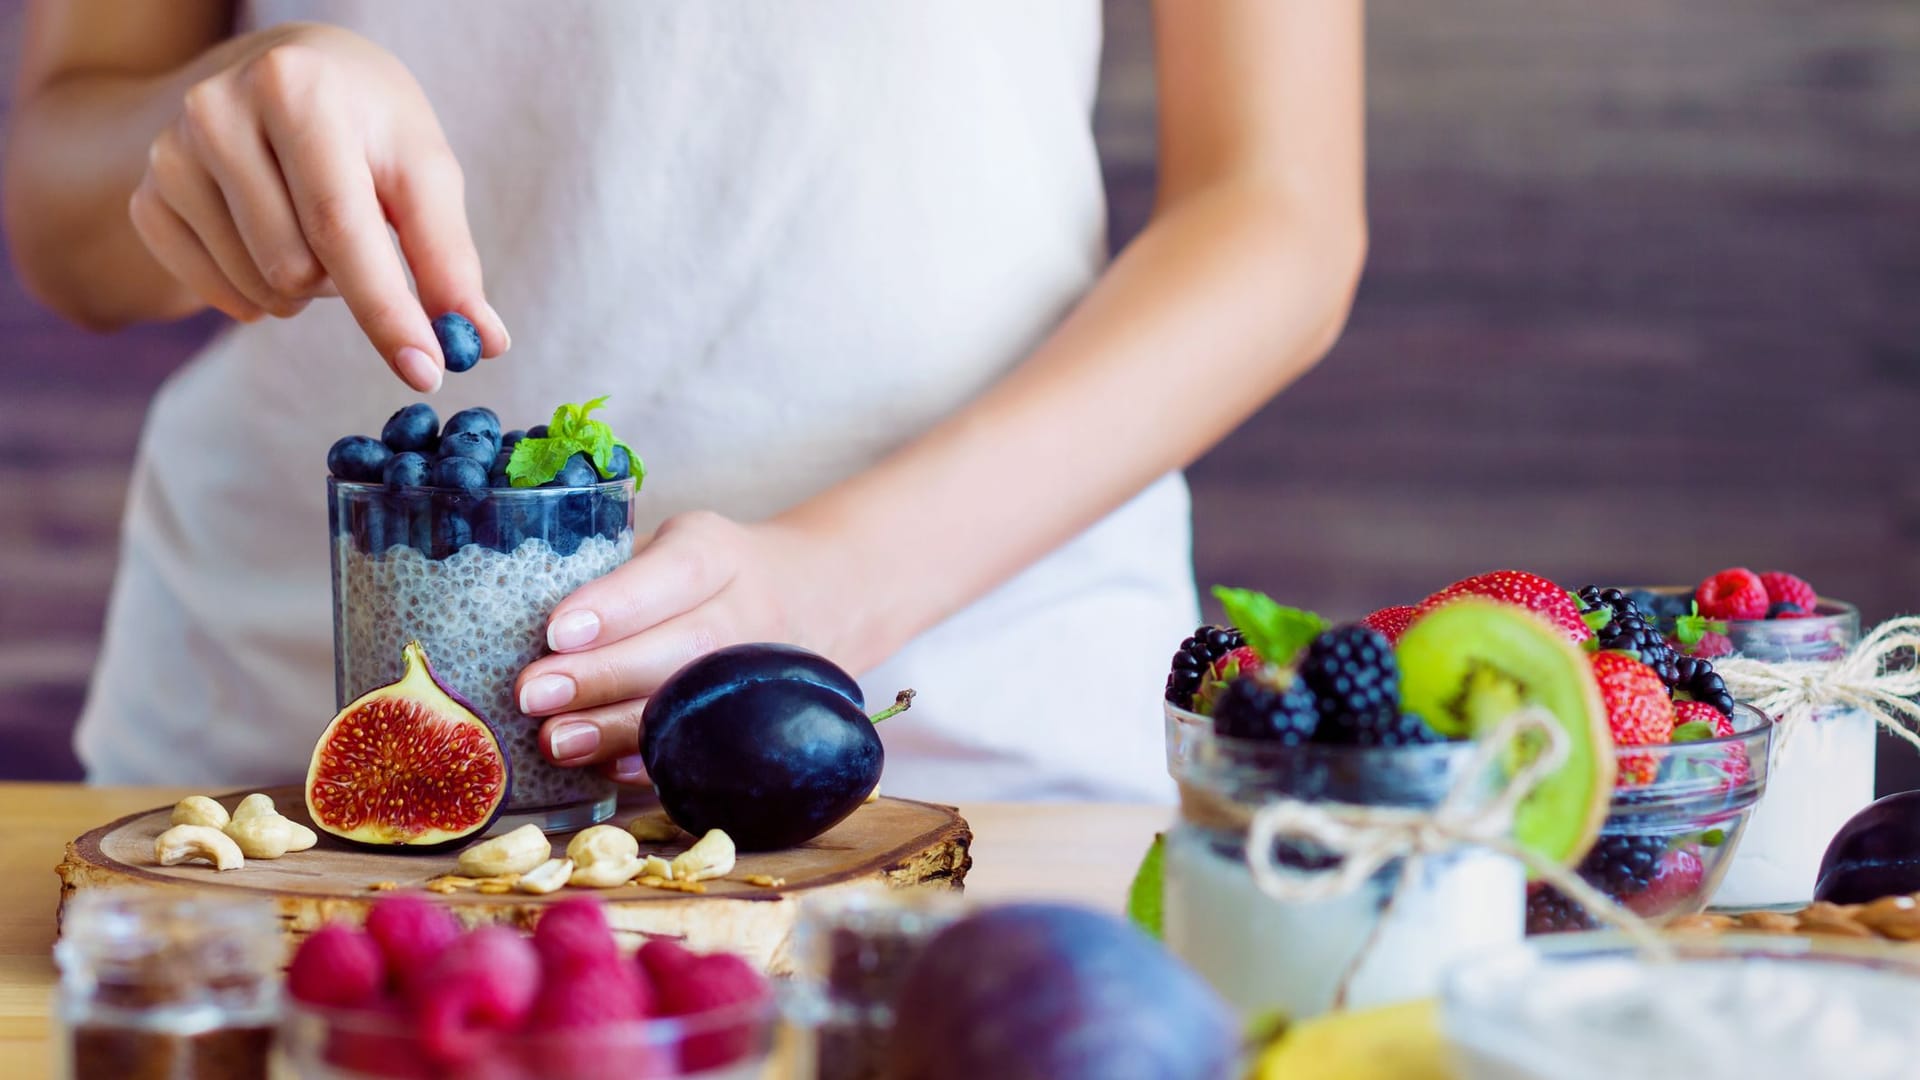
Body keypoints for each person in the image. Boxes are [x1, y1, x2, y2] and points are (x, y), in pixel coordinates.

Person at [5, 2, 1365, 801]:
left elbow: (1278, 214)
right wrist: (217, 122)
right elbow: (66, 215)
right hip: (290, 744)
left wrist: (846, 580)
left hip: (968, 732)